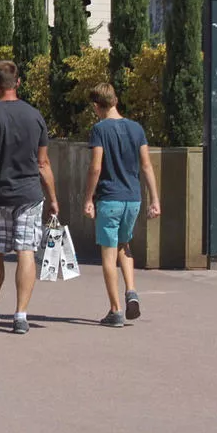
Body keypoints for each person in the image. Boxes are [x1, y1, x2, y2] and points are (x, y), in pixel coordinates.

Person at [0, 61, 58, 335]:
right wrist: (52, 197)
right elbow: (43, 163)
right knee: (25, 251)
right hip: (30, 195)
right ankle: (20, 315)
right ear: (17, 83)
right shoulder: (35, 116)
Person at [82, 83, 161, 327]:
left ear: (97, 106)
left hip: (109, 198)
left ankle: (115, 310)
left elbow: (96, 166)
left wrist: (88, 199)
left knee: (108, 254)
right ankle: (132, 291)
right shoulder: (136, 128)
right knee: (124, 246)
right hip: (133, 198)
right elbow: (146, 165)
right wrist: (155, 199)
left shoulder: (99, 130)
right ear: (115, 100)